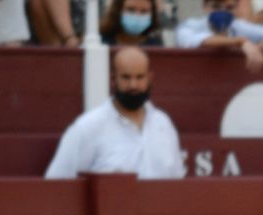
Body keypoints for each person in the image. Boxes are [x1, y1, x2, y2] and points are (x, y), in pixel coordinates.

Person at [45, 47, 185, 179]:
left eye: (140, 77)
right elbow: (57, 184)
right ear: (113, 79)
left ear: (149, 78)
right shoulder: (88, 127)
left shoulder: (164, 125)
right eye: (126, 77)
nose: (133, 85)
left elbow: (177, 183)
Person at [176, 0, 263, 71]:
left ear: (236, 8)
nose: (223, 11)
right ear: (205, 6)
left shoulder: (238, 26)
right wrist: (242, 42)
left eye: (229, 7)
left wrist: (255, 47)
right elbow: (199, 41)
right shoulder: (189, 26)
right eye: (216, 6)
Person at [99, 0, 165, 46]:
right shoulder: (100, 42)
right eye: (131, 10)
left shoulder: (156, 45)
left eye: (144, 12)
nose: (137, 16)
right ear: (118, 11)